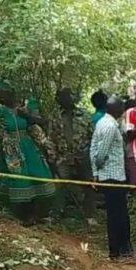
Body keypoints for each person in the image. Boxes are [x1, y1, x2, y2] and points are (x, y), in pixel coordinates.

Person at [0, 82, 55, 225]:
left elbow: (35, 126)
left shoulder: (23, 109)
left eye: (4, 93)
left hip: (29, 146)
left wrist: (46, 145)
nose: (2, 96)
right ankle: (25, 215)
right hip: (11, 149)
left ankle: (38, 213)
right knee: (20, 180)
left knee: (39, 175)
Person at [91, 96, 134, 262]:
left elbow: (93, 148)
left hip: (109, 176)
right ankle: (119, 250)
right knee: (119, 215)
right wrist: (100, 167)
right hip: (113, 176)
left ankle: (118, 250)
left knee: (115, 213)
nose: (123, 111)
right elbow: (100, 152)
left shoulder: (102, 122)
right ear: (116, 110)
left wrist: (96, 173)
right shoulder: (109, 126)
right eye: (121, 108)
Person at [50, 87, 97, 226]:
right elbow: (50, 138)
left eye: (69, 96)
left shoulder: (84, 114)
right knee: (60, 185)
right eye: (63, 97)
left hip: (82, 156)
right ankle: (56, 214)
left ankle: (90, 215)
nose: (66, 99)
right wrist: (53, 157)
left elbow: (93, 136)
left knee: (89, 185)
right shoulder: (55, 116)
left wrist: (88, 153)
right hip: (63, 157)